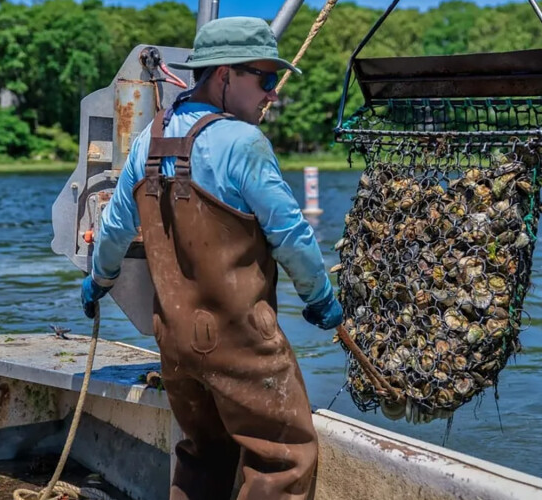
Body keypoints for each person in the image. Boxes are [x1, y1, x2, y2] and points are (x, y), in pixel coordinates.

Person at [81, 16, 343, 500]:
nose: (272, 94)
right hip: (240, 342)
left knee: (205, 455)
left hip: (176, 344)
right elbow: (290, 234)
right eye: (265, 79)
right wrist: (319, 293)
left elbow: (115, 229)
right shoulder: (244, 144)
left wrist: (98, 280)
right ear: (224, 75)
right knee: (282, 460)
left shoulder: (146, 143)